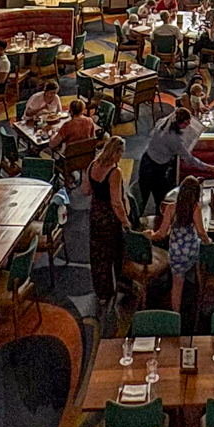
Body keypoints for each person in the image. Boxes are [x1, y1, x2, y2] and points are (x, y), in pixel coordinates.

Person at [136, 108, 214, 214]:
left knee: (142, 197)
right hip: (156, 169)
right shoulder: (173, 139)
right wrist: (208, 168)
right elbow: (189, 159)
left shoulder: (165, 122)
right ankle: (159, 220)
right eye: (187, 123)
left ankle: (136, 219)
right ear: (180, 123)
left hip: (146, 161)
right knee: (160, 201)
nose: (188, 125)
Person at [86, 136, 130, 319]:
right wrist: (125, 221)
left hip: (95, 214)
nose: (122, 156)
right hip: (109, 218)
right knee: (116, 252)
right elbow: (116, 203)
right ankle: (120, 284)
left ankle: (102, 292)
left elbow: (85, 190)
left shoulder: (93, 165)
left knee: (98, 254)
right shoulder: (114, 172)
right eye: (121, 153)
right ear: (116, 152)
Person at [154, 176, 206, 323]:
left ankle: (175, 316)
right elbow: (201, 232)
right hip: (191, 251)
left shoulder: (171, 208)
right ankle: (198, 286)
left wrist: (150, 235)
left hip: (175, 253)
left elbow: (162, 233)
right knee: (201, 249)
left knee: (177, 285)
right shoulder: (195, 208)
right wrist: (208, 241)